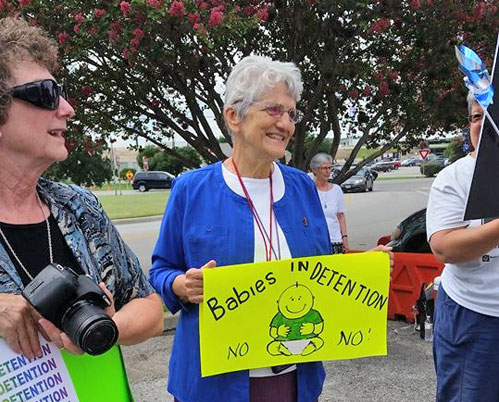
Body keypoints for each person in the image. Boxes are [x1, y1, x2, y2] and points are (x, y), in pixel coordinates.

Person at [150, 55, 392, 402]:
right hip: (214, 382)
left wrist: (365, 269)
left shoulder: (302, 187)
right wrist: (181, 285)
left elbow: (321, 272)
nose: (286, 124)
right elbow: (160, 270)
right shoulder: (191, 189)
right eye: (274, 110)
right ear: (234, 116)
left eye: (292, 114)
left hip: (292, 379)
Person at [0, 17, 163, 359]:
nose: (67, 109)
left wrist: (108, 328)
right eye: (46, 94)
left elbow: (149, 307)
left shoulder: (78, 206)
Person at [426, 91, 499, 401]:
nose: (483, 123)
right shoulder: (453, 178)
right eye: (476, 116)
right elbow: (445, 248)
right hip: (474, 318)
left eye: (491, 115)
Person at [310, 153, 348, 253]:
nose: (328, 171)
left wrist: (344, 237)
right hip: (316, 242)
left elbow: (340, 216)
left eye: (329, 168)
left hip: (335, 240)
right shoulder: (309, 190)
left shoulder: (336, 190)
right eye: (324, 168)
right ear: (315, 170)